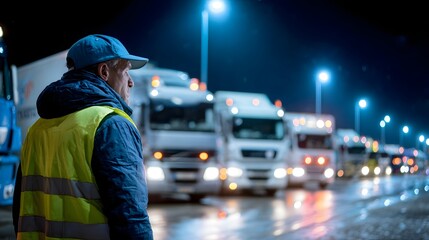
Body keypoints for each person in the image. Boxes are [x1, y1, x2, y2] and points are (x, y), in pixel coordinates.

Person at [12, 34, 154, 240]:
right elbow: (130, 215)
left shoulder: (36, 130)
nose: (131, 82)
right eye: (126, 71)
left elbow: (21, 209)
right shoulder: (111, 124)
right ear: (104, 71)